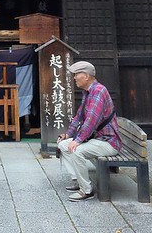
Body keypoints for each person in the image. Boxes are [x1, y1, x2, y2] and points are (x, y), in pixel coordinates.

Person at [57, 60, 121, 202]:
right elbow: (79, 117)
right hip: (96, 139)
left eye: (76, 75)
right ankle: (79, 181)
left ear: (86, 76)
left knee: (76, 150)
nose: (74, 78)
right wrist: (68, 135)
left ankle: (86, 190)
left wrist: (77, 140)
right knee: (63, 145)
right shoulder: (88, 92)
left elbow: (91, 121)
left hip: (108, 142)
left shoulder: (98, 92)